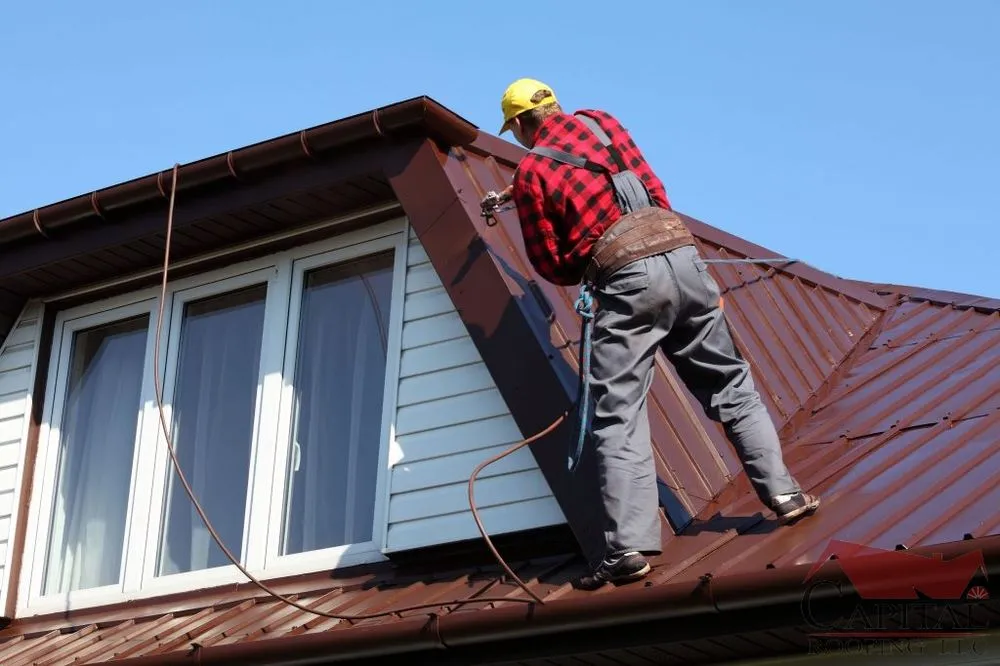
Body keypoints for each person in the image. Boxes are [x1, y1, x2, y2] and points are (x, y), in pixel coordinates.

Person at [485, 78, 820, 589]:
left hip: (628, 280)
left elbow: (551, 263)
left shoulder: (532, 171)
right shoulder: (601, 122)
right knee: (730, 384)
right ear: (554, 105)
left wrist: (590, 255)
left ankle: (629, 548)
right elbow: (652, 191)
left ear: (520, 125)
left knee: (618, 414)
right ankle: (785, 494)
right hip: (683, 259)